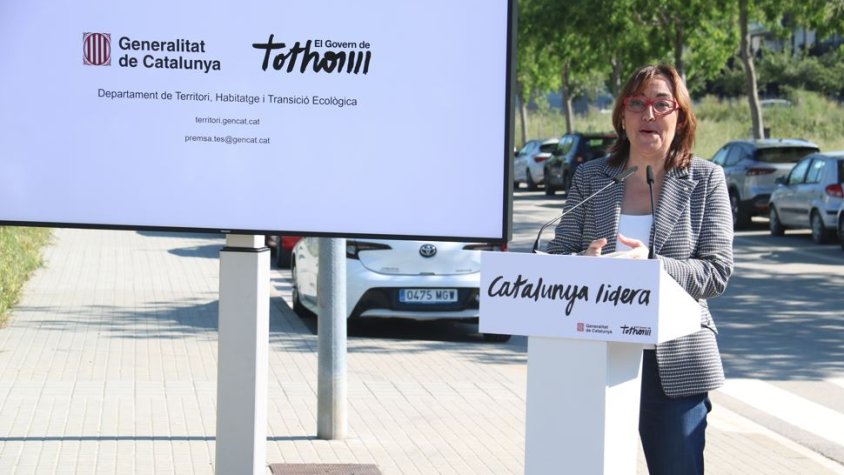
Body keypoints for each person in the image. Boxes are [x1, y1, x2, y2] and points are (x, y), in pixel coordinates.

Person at [546, 64, 734, 475]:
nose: (649, 114)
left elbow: (717, 272)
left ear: (679, 116)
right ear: (623, 116)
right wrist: (582, 266)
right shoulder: (591, 177)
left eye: (661, 104)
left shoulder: (706, 180)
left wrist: (652, 265)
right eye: (637, 103)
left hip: (675, 364)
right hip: (595, 357)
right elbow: (560, 254)